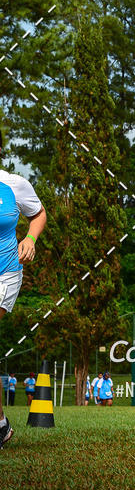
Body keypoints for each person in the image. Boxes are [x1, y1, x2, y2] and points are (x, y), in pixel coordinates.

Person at [0, 131, 47, 450]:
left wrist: (30, 239)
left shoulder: (13, 184)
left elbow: (38, 213)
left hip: (4, 273)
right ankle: (1, 424)